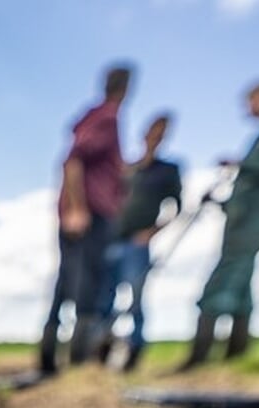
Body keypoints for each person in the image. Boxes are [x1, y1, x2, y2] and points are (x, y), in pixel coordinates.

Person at [180, 78, 259, 370]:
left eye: (254, 99)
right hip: (240, 219)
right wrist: (221, 201)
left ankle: (198, 358)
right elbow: (250, 186)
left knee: (219, 284)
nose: (248, 106)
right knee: (241, 287)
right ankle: (236, 355)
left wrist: (239, 165)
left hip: (254, 221)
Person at [37, 64, 132, 376]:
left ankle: (52, 363)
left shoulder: (96, 117)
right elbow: (73, 160)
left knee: (68, 282)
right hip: (89, 215)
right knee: (86, 285)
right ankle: (76, 365)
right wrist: (78, 208)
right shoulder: (107, 118)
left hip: (83, 213)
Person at [96, 113, 182, 371]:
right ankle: (101, 351)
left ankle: (134, 353)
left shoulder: (168, 170)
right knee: (105, 297)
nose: (155, 137)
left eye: (162, 132)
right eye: (153, 130)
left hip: (137, 243)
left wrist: (152, 232)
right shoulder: (127, 168)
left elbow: (176, 207)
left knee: (135, 299)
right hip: (112, 240)